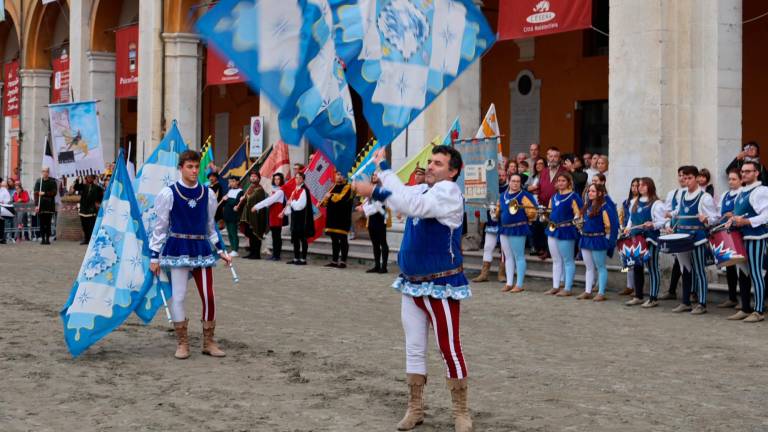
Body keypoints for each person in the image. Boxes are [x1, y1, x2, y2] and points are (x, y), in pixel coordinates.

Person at [354, 145, 473, 432]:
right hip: (412, 283)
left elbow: (411, 206)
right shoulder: (424, 190)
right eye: (430, 161)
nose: (431, 166)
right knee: (414, 347)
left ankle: (460, 411)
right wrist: (379, 177)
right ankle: (415, 407)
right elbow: (404, 197)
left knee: (449, 347)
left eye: (438, 163)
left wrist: (376, 184)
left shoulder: (449, 193)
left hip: (440, 283)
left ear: (453, 171)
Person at [148, 150, 231, 359]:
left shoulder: (208, 193)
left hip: (202, 249)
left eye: (196, 167)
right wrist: (154, 257)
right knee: (179, 296)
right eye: (190, 167)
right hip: (178, 249)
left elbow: (210, 226)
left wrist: (220, 250)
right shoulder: (169, 193)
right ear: (181, 168)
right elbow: (160, 228)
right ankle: (182, 343)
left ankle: (208, 342)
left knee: (209, 296)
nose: (194, 171)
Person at [667, 166, 718, 315]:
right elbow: (679, 211)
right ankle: (685, 302)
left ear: (696, 178)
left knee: (699, 270)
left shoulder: (704, 197)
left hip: (697, 238)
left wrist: (707, 218)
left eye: (689, 178)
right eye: (684, 177)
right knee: (685, 270)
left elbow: (714, 218)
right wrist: (670, 215)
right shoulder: (681, 195)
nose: (686, 180)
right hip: (681, 238)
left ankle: (702, 303)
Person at [728, 161, 768, 322]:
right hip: (740, 237)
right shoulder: (742, 191)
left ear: (756, 173)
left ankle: (758, 311)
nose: (744, 174)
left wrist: (747, 221)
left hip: (755, 236)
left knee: (756, 273)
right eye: (743, 171)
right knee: (743, 274)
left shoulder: (761, 191)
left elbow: (766, 216)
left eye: (748, 171)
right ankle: (745, 307)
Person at [623, 178, 666, 307]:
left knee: (652, 268)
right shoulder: (634, 202)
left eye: (643, 185)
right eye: (639, 185)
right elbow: (631, 218)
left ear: (650, 187)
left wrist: (652, 224)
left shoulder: (656, 203)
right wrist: (627, 227)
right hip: (636, 237)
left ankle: (653, 298)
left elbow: (662, 222)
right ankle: (638, 295)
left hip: (650, 238)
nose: (640, 187)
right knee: (637, 267)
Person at [718, 169, 751, 312]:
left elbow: (748, 212)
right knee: (730, 267)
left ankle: (746, 301)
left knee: (743, 269)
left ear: (741, 181)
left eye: (734, 179)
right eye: (729, 179)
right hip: (727, 234)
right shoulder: (725, 195)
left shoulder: (744, 194)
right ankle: (732, 298)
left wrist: (734, 215)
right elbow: (718, 213)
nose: (731, 182)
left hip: (740, 234)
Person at [498, 173, 538, 293]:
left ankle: (519, 284)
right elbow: (499, 210)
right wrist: (495, 212)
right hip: (504, 228)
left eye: (517, 181)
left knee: (519, 256)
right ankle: (509, 283)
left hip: (518, 228)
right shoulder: (502, 195)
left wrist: (527, 218)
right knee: (508, 257)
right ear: (509, 181)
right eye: (513, 181)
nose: (515, 183)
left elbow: (532, 211)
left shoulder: (525, 195)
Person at [577, 184, 618, 301]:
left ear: (600, 193)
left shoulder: (605, 207)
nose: (590, 193)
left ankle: (601, 292)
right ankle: (588, 291)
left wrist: (607, 240)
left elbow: (610, 226)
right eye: (589, 191)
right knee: (589, 267)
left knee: (600, 267)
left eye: (593, 191)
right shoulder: (587, 206)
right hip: (586, 239)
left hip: (598, 239)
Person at [545, 172, 583, 296]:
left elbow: (580, 213)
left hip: (566, 230)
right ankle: (555, 286)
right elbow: (550, 212)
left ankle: (567, 288)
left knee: (568, 260)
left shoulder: (573, 196)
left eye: (563, 181)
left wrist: (577, 218)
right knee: (556, 260)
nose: (560, 183)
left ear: (568, 182)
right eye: (559, 180)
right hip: (553, 230)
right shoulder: (554, 197)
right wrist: (543, 215)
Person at [473, 164, 508, 283]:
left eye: (503, 175)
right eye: (499, 175)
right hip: (492, 223)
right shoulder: (489, 189)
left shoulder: (509, 189)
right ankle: (484, 273)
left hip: (504, 224)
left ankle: (502, 273)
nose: (501, 177)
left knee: (504, 249)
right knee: (488, 247)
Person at [660, 166, 690, 301]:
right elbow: (667, 212)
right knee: (678, 261)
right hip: (675, 231)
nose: (682, 178)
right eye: (680, 175)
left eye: (685, 175)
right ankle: (674, 291)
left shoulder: (695, 193)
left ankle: (688, 292)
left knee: (687, 262)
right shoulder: (673, 193)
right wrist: (667, 226)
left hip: (688, 231)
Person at [320, 172, 354, 268]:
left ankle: (343, 261)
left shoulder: (348, 187)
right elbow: (325, 203)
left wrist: (329, 196)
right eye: (338, 174)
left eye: (341, 174)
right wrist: (324, 200)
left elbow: (340, 199)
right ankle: (334, 260)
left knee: (343, 239)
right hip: (332, 217)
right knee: (334, 239)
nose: (339, 176)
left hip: (342, 217)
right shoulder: (332, 186)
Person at [251, 173, 287, 261]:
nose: (276, 181)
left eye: (278, 179)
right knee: (275, 236)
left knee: (276, 236)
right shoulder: (275, 190)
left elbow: (269, 200)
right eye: (275, 179)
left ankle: (277, 255)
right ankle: (275, 254)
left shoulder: (280, 191)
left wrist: (257, 206)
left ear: (281, 180)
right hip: (272, 215)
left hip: (277, 215)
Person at [358, 173, 390, 273]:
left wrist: (363, 209)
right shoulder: (371, 189)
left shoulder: (382, 190)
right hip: (372, 219)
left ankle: (384, 267)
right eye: (372, 176)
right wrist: (363, 206)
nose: (373, 177)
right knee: (375, 243)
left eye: (376, 176)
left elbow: (377, 206)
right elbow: (368, 202)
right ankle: (377, 265)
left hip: (380, 218)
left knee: (382, 242)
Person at [284, 171, 315, 265]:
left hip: (302, 219)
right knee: (296, 239)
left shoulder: (304, 190)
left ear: (303, 179)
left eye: (299, 178)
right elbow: (291, 203)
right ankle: (296, 257)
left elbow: (300, 206)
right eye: (296, 177)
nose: (297, 179)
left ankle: (303, 259)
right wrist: (287, 209)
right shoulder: (295, 190)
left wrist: (291, 203)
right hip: (295, 218)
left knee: (303, 239)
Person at [618, 178, 641, 296]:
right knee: (626, 262)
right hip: (626, 234)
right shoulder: (626, 202)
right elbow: (621, 216)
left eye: (637, 186)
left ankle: (637, 287)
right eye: (633, 186)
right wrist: (622, 227)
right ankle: (628, 285)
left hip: (637, 234)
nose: (634, 188)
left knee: (636, 261)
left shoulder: (641, 202)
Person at [239, 172, 268, 259]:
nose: (253, 178)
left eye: (255, 176)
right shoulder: (249, 188)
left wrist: (246, 197)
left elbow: (253, 199)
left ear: (258, 178)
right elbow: (247, 200)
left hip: (257, 215)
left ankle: (256, 254)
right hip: (248, 215)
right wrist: (242, 199)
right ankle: (252, 252)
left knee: (256, 234)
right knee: (250, 233)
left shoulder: (260, 189)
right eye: (251, 176)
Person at [73, 175, 104, 245]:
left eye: (91, 177)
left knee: (91, 226)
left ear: (93, 178)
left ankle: (91, 239)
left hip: (91, 209)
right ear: (86, 178)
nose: (89, 178)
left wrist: (97, 203)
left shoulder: (97, 188)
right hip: (83, 209)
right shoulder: (83, 186)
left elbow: (100, 197)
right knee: (84, 226)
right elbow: (76, 187)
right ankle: (86, 239)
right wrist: (77, 179)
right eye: (88, 177)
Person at [34, 168, 57, 245]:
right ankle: (43, 238)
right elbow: (36, 194)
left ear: (48, 173)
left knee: (48, 223)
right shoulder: (38, 181)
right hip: (41, 205)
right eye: (43, 171)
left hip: (49, 205)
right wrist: (36, 205)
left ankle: (47, 238)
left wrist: (44, 193)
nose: (45, 173)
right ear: (42, 172)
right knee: (41, 223)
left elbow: (54, 192)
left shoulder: (52, 182)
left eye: (46, 171)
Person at [221, 176, 244, 257]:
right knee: (229, 233)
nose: (231, 183)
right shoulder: (229, 191)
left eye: (233, 181)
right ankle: (232, 248)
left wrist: (227, 199)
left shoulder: (240, 191)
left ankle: (235, 249)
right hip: (227, 214)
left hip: (233, 215)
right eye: (230, 182)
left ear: (237, 182)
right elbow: (226, 202)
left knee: (233, 232)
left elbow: (236, 202)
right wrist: (224, 199)